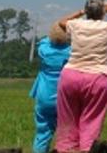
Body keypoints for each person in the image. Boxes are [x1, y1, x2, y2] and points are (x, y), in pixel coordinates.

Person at [57, 0, 107, 153]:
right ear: (102, 12)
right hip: (98, 77)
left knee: (68, 121)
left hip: (71, 74)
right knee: (91, 122)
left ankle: (65, 149)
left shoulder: (75, 25)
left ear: (87, 11)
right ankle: (87, 149)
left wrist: (81, 11)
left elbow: (61, 22)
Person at [30, 23, 71, 153]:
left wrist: (53, 34)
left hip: (44, 95)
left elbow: (43, 42)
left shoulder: (44, 50)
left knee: (43, 131)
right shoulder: (70, 51)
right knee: (66, 132)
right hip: (64, 97)